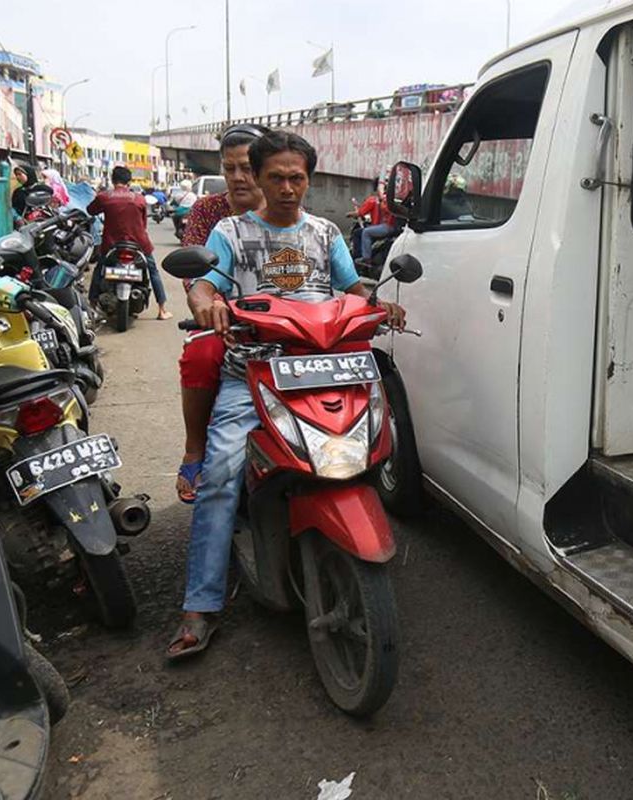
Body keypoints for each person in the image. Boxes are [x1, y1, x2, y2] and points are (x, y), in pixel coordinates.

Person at [166, 131, 405, 660]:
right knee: (222, 471)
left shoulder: (325, 232)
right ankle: (200, 606)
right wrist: (206, 300)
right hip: (252, 371)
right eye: (277, 177)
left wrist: (380, 302)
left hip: (327, 366)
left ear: (309, 179)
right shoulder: (231, 231)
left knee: (374, 443)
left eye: (298, 177)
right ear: (257, 176)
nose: (288, 187)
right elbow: (203, 283)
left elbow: (353, 286)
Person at [175, 123, 270, 504]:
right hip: (224, 324)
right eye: (229, 168)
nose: (237, 177)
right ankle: (195, 449)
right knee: (201, 355)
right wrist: (209, 303)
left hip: (284, 324)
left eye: (246, 167)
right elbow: (196, 277)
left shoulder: (286, 211)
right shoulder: (208, 211)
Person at [86, 165, 172, 320]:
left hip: (111, 244)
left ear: (113, 180)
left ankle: (92, 305)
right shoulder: (139, 198)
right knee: (153, 272)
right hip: (139, 244)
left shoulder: (104, 197)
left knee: (99, 270)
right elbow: (143, 223)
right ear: (129, 182)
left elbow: (90, 210)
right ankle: (162, 309)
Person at [356, 179, 396, 266]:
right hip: (385, 225)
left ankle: (366, 258)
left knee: (365, 232)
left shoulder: (384, 199)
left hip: (388, 226)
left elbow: (361, 212)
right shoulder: (384, 199)